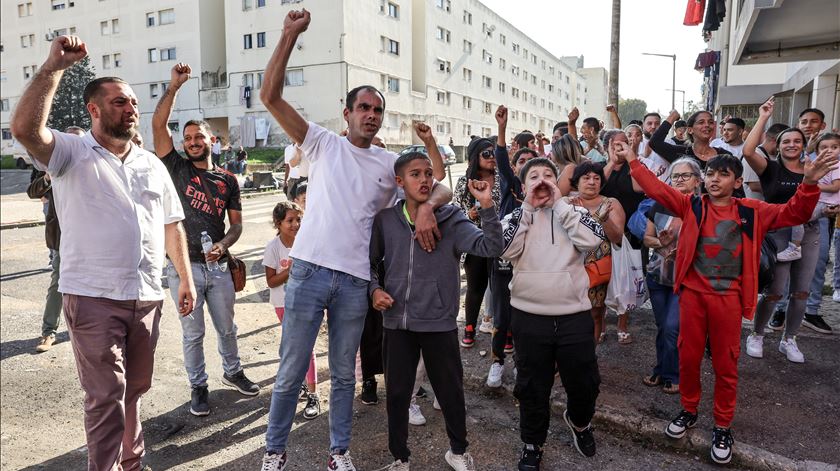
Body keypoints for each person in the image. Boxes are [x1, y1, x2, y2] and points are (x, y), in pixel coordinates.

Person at [258, 10, 450, 470]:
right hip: (306, 272)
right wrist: (288, 36)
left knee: (345, 374)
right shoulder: (323, 143)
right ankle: (274, 451)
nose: (371, 115)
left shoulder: (388, 164)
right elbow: (269, 96)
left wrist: (425, 205)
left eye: (377, 109)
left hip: (353, 282)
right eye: (363, 107)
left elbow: (440, 182)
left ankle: (338, 453)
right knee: (290, 370)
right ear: (347, 114)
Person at [10, 35, 196, 470]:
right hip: (93, 296)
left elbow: (172, 225)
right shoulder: (71, 152)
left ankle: (130, 461)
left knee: (135, 389)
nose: (130, 108)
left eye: (132, 102)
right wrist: (53, 67)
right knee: (105, 395)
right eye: (118, 102)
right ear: (93, 110)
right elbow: (24, 131)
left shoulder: (150, 164)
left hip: (146, 295)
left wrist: (184, 278)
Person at [615, 139, 832, 465]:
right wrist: (633, 158)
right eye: (711, 174)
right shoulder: (692, 205)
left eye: (724, 174)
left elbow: (796, 212)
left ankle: (722, 426)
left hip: (729, 300)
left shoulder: (752, 211)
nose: (715, 179)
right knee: (688, 359)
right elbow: (658, 191)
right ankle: (688, 410)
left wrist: (810, 182)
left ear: (738, 181)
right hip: (692, 296)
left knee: (726, 366)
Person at [369, 152, 503, 471]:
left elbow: (492, 248)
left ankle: (458, 452)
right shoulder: (386, 220)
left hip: (439, 322)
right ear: (400, 182)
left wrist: (486, 205)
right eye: (415, 174)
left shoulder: (453, 218)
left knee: (451, 392)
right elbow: (370, 263)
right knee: (399, 395)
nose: (425, 179)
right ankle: (400, 458)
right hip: (397, 323)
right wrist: (374, 289)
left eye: (429, 173)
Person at [152, 62, 259, 416]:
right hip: (185, 269)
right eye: (189, 139)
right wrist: (174, 88)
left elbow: (237, 227)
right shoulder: (177, 167)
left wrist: (224, 246)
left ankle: (233, 373)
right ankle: (198, 387)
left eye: (200, 137)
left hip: (219, 268)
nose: (194, 142)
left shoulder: (228, 180)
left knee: (227, 328)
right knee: (192, 333)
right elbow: (157, 125)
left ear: (212, 140)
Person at [501, 157, 605, 469]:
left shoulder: (575, 212)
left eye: (548, 174)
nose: (542, 180)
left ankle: (579, 422)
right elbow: (505, 249)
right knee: (532, 386)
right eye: (534, 176)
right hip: (529, 315)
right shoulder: (514, 217)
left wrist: (560, 206)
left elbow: (594, 239)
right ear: (523, 187)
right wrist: (529, 209)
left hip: (574, 314)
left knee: (585, 382)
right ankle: (533, 442)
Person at [743, 98, 833, 361]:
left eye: (797, 141)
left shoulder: (812, 169)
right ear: (777, 147)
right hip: (778, 234)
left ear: (804, 145)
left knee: (802, 290)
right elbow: (748, 152)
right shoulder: (770, 169)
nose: (792, 144)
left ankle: (789, 339)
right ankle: (757, 334)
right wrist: (763, 117)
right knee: (774, 290)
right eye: (786, 141)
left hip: (811, 232)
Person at [486, 105, 540, 388]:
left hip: (529, 263)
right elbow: (501, 160)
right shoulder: (510, 185)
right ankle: (496, 363)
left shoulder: (543, 194)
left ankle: (521, 364)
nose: (526, 164)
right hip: (504, 259)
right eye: (522, 161)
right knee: (502, 314)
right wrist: (502, 129)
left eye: (533, 161)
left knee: (524, 318)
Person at [642, 158, 703, 395]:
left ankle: (672, 374)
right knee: (662, 327)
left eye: (685, 176)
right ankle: (660, 369)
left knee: (671, 328)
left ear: (698, 181)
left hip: (686, 279)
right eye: (675, 176)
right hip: (658, 276)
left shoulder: (702, 207)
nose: (679, 180)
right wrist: (661, 243)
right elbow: (647, 238)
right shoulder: (660, 205)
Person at [27, 125, 84, 352]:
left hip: (91, 240)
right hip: (63, 240)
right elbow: (32, 191)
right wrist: (48, 177)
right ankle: (49, 332)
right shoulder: (56, 169)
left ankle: (83, 329)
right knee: (58, 284)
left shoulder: (91, 169)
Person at [263, 201, 321, 419]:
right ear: (278, 223)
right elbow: (271, 281)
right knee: (291, 348)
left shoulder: (307, 243)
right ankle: (296, 385)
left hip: (308, 303)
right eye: (290, 220)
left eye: (299, 219)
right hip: (284, 305)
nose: (296, 224)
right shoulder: (273, 248)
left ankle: (313, 393)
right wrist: (291, 270)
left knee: (308, 348)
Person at [568, 162, 626, 344]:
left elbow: (617, 238)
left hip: (600, 269)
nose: (592, 182)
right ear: (577, 182)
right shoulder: (566, 203)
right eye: (586, 178)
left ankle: (588, 356)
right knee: (569, 314)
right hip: (571, 268)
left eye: (596, 178)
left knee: (595, 314)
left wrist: (605, 219)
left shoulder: (611, 203)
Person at [600, 129, 646, 342]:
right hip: (602, 230)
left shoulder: (635, 166)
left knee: (626, 279)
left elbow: (639, 188)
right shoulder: (600, 169)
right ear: (607, 146)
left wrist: (630, 157)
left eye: (624, 143)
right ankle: (599, 324)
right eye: (616, 144)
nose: (620, 147)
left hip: (630, 232)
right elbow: (597, 186)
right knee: (601, 277)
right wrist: (611, 160)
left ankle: (622, 324)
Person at [454, 137, 500, 347]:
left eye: (494, 153)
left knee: (500, 288)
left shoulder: (502, 179)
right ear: (475, 157)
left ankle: (502, 330)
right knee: (475, 287)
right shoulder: (465, 182)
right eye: (487, 154)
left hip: (501, 241)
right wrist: (470, 214)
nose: (492, 158)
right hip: (475, 243)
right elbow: (455, 211)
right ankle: (470, 327)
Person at [649, 110, 742, 197]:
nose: (707, 125)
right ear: (690, 130)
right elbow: (654, 143)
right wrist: (673, 116)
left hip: (718, 211)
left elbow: (737, 189)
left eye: (710, 122)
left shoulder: (724, 156)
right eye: (701, 122)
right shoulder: (681, 154)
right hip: (687, 210)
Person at [741, 122, 789, 200]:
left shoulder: (777, 156)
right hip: (755, 209)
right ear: (776, 140)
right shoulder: (755, 155)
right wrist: (787, 188)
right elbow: (754, 185)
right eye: (786, 141)